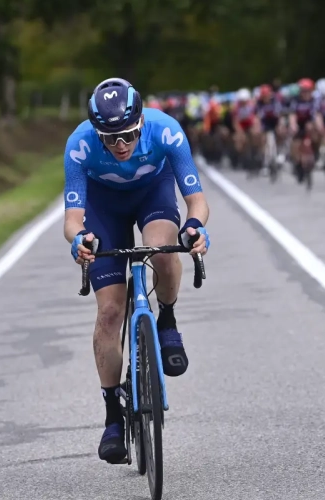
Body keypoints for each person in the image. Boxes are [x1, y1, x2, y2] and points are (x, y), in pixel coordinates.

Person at [63, 77, 211, 465]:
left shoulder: (167, 131)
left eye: (127, 135)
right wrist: (79, 239)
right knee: (110, 312)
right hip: (103, 207)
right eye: (109, 139)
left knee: (163, 251)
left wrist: (195, 227)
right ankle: (113, 415)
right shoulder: (79, 145)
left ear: (142, 121)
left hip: (152, 194)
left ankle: (167, 319)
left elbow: (196, 200)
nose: (120, 145)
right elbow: (73, 218)